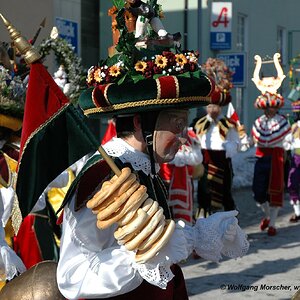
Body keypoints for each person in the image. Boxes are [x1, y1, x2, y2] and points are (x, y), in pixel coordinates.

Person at [55, 5, 249, 297]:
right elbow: (74, 274)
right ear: (139, 122)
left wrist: (194, 236)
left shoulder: (145, 165)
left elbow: (158, 238)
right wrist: (144, 257)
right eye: (176, 124)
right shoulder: (102, 175)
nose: (183, 135)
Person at [251, 92, 291, 236]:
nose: (270, 110)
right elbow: (253, 139)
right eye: (267, 107)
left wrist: (287, 146)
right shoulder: (258, 122)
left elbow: (288, 140)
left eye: (272, 107)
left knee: (275, 191)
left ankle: (273, 223)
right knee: (258, 192)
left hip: (276, 158)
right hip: (261, 158)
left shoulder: (283, 122)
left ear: (276, 107)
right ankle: (267, 216)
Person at [194, 102, 241, 216]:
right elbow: (197, 141)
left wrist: (228, 147)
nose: (212, 110)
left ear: (220, 107)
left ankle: (229, 217)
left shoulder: (229, 124)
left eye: (214, 106)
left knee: (225, 191)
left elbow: (237, 143)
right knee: (204, 190)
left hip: (222, 161)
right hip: (206, 161)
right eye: (209, 107)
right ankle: (204, 216)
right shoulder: (201, 123)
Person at [286, 99, 300, 222]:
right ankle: (297, 212)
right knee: (292, 184)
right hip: (296, 158)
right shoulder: (294, 127)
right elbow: (287, 141)